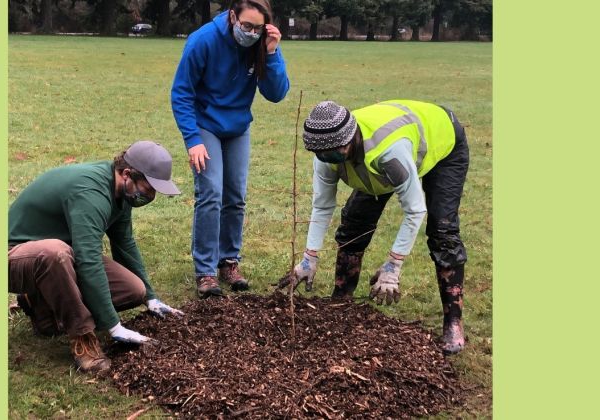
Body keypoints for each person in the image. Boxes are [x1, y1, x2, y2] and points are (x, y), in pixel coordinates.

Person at [290, 100, 469, 355]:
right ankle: (341, 301)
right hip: (382, 158)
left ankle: (453, 323)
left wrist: (393, 266)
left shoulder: (390, 152)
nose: (329, 158)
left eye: (334, 153)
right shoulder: (326, 152)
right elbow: (322, 206)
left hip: (442, 144)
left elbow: (415, 209)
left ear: (351, 139)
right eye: (323, 154)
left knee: (443, 232)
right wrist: (310, 258)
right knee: (353, 224)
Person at [8, 141, 184, 373]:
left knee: (134, 290)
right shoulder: (90, 192)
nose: (150, 195)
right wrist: (114, 326)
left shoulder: (121, 193)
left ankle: (42, 306)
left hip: (62, 255)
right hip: (15, 254)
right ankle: (83, 337)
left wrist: (150, 298)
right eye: (148, 188)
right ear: (127, 174)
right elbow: (88, 258)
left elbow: (125, 244)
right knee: (55, 253)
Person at [171, 0, 290, 298]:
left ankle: (229, 261)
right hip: (205, 125)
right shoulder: (203, 40)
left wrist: (272, 52)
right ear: (233, 16)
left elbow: (276, 94)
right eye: (246, 26)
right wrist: (192, 139)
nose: (250, 32)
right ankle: (206, 271)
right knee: (211, 192)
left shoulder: (263, 42)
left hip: (237, 127)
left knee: (235, 196)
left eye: (257, 28)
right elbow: (181, 92)